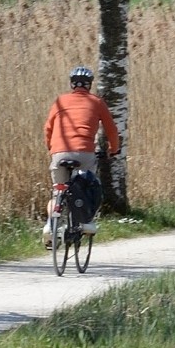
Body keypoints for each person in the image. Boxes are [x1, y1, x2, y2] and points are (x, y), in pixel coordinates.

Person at [43, 65, 121, 247]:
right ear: (89, 85)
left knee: (58, 191)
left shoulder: (59, 102)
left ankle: (50, 225)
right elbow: (111, 130)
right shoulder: (97, 102)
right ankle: (86, 222)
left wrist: (52, 148)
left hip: (59, 152)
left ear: (72, 84)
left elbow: (48, 129)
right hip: (85, 152)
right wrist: (113, 149)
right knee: (88, 186)